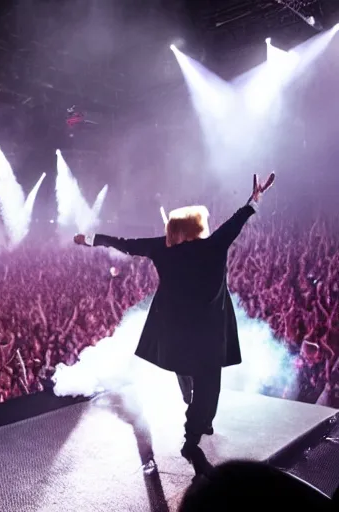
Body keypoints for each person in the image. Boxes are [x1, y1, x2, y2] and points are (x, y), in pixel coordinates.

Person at [74, 173, 275, 471]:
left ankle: (193, 409)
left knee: (186, 367)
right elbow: (237, 221)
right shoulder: (213, 245)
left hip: (177, 329)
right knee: (209, 384)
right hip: (208, 330)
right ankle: (193, 433)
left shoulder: (162, 248)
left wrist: (91, 240)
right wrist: (253, 200)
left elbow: (126, 244)